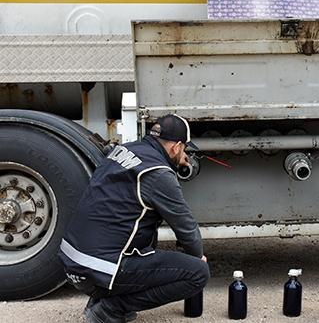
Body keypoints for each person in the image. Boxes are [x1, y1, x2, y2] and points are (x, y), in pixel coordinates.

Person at [58, 114, 209, 323]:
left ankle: (99, 299)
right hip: (98, 269)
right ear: (176, 147)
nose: (184, 154)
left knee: (143, 230)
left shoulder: (123, 151)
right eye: (184, 149)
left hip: (73, 264)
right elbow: (186, 228)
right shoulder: (158, 173)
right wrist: (197, 256)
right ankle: (110, 309)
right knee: (198, 273)